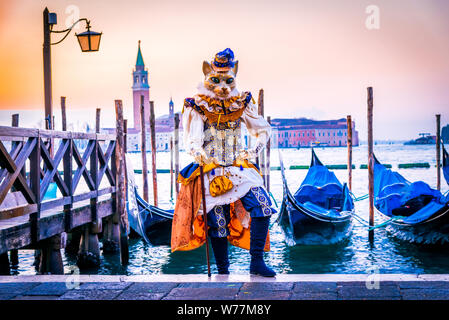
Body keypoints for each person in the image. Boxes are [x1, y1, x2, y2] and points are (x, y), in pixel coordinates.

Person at [171, 48, 276, 277]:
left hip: (238, 167)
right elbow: (193, 140)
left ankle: (256, 263)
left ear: (234, 77)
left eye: (228, 80)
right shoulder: (198, 106)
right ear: (207, 76)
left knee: (263, 206)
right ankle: (222, 271)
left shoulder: (240, 103)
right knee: (218, 223)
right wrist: (198, 154)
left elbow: (263, 130)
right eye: (216, 80)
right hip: (211, 170)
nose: (223, 86)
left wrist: (252, 151)